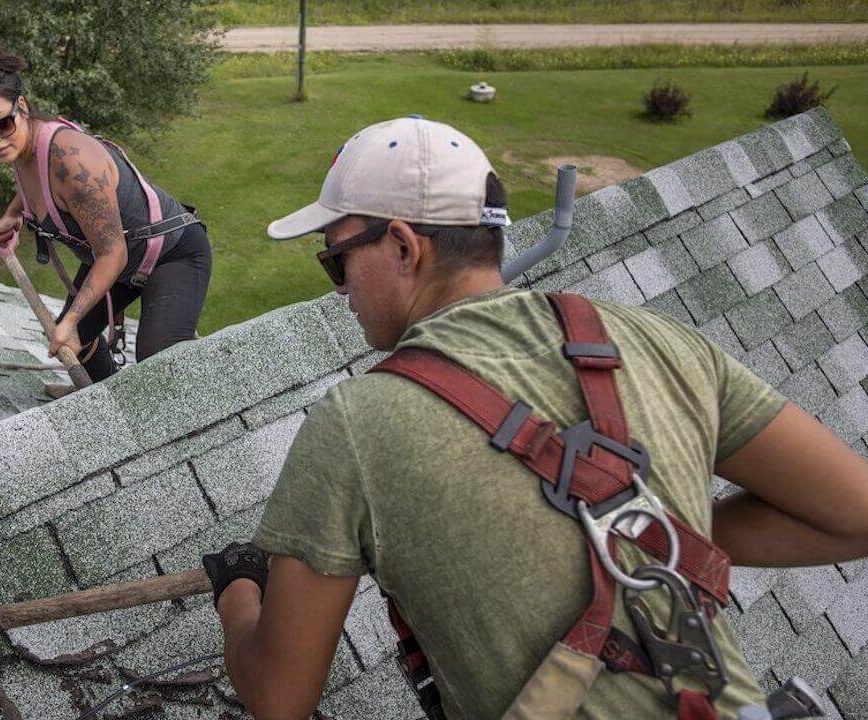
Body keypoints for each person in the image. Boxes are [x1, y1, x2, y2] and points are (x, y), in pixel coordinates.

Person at [200, 117, 868, 719]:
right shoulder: (659, 340)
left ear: (403, 246)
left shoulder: (355, 424)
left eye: (335, 261)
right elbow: (855, 512)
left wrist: (238, 589)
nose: (340, 290)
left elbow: (280, 697)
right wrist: (650, 532)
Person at [0, 29, 211, 389]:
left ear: (21, 107)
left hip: (171, 254)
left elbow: (112, 253)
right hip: (119, 258)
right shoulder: (20, 147)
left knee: (156, 364)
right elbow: (36, 181)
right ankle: (102, 406)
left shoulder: (71, 159)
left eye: (2, 124)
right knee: (76, 339)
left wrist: (69, 320)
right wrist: (14, 215)